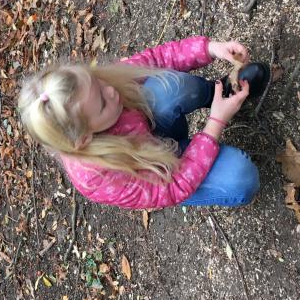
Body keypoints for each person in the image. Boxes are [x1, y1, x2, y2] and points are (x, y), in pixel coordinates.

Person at [17, 36, 261, 210]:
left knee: (170, 88)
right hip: (163, 171)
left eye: (98, 81)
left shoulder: (92, 92)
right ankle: (210, 139)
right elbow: (173, 187)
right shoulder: (100, 177)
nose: (111, 90)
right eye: (102, 103)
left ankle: (219, 93)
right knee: (242, 177)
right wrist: (215, 124)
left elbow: (156, 60)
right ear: (85, 138)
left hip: (152, 132)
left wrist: (210, 48)